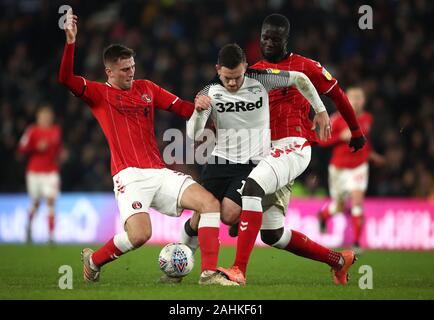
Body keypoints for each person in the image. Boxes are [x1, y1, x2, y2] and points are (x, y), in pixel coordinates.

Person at [58, 12, 237, 286]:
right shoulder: (99, 94)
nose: (131, 72)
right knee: (140, 235)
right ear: (109, 72)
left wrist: (203, 110)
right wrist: (71, 42)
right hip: (128, 176)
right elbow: (66, 79)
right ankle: (94, 261)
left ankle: (209, 273)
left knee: (209, 204)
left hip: (158, 171)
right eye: (125, 69)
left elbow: (182, 108)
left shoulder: (147, 88)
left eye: (132, 66)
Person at [168, 43, 351, 285]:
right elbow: (192, 132)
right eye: (226, 78)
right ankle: (178, 267)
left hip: (251, 163)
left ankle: (236, 245)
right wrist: (198, 112)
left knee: (228, 213)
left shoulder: (262, 80)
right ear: (217, 70)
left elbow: (299, 78)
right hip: (219, 161)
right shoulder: (210, 91)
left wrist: (320, 109)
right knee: (257, 229)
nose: (232, 83)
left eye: (236, 77)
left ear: (245, 67)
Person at [213, 14, 367, 285]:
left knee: (252, 188)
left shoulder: (306, 67)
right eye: (265, 38)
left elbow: (338, 94)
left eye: (275, 38)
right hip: (266, 152)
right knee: (272, 234)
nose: (269, 43)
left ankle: (238, 270)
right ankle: (339, 260)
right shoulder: (252, 73)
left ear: (286, 40)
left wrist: (355, 131)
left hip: (294, 145)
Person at [318, 86, 385, 251]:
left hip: (359, 166)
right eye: (352, 97)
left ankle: (356, 243)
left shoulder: (368, 118)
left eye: (359, 97)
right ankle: (323, 216)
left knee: (357, 203)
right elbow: (322, 140)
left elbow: (364, 141)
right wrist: (340, 137)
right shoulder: (336, 119)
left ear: (364, 101)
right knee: (339, 207)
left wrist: (371, 155)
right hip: (338, 168)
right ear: (346, 99)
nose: (355, 101)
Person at [18, 105, 62, 244]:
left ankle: (51, 235)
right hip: (34, 172)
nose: (46, 118)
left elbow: (57, 148)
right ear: (38, 117)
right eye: (43, 116)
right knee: (36, 203)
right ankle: (29, 227)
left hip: (51, 172)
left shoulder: (56, 130)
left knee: (50, 201)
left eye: (48, 116)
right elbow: (21, 147)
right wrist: (36, 147)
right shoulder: (32, 131)